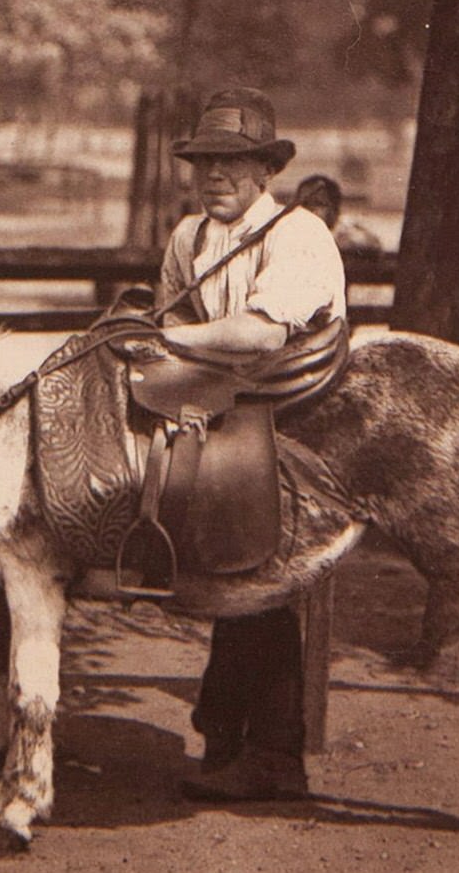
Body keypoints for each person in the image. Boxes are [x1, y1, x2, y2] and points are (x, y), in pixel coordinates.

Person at [156, 87, 346, 801]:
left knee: (255, 563)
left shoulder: (297, 235)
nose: (216, 176)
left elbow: (262, 334)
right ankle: (230, 731)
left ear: (266, 170)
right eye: (205, 161)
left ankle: (267, 748)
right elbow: (168, 312)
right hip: (224, 408)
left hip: (299, 416)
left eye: (234, 162)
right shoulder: (188, 237)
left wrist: (165, 338)